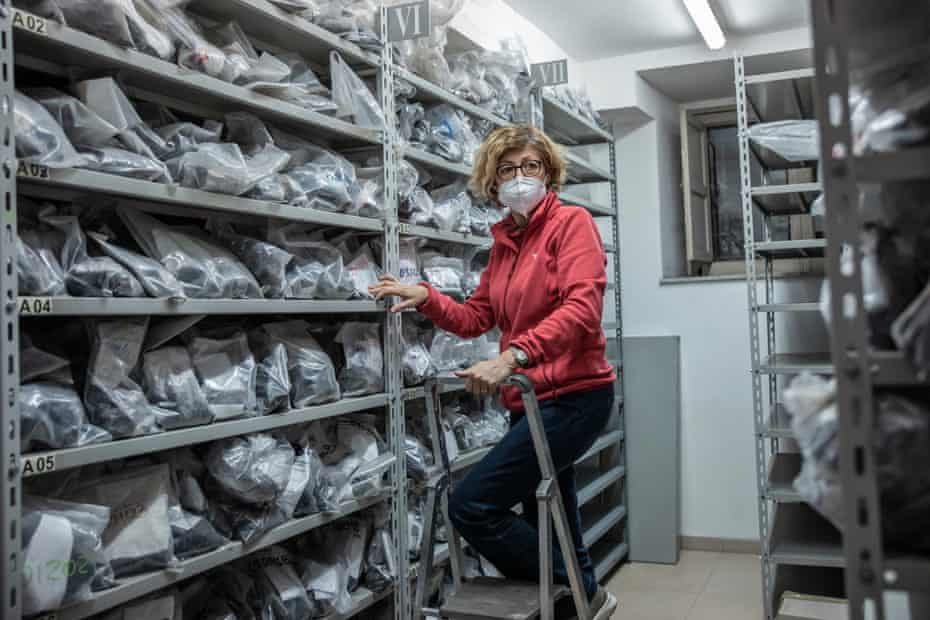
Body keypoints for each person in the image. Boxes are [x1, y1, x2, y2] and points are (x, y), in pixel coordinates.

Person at [370, 124, 617, 619]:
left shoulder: (572, 224)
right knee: (555, 519)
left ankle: (570, 594)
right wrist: (429, 298)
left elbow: (581, 309)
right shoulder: (506, 243)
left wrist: (512, 357)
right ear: (492, 180)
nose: (519, 178)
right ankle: (579, 600)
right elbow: (477, 317)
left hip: (574, 397)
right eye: (507, 169)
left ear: (548, 172)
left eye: (530, 166)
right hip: (527, 402)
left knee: (472, 506)